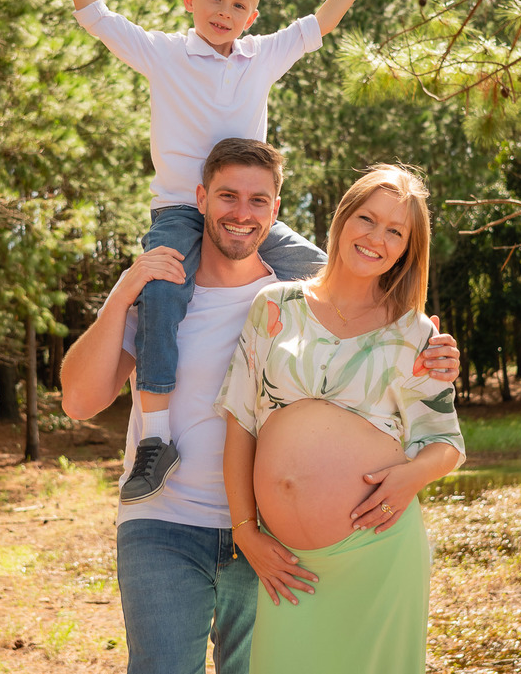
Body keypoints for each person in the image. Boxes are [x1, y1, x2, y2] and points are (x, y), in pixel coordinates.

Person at [38, 0, 407, 503]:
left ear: (251, 16)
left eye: (238, 4)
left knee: (326, 272)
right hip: (183, 211)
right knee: (163, 297)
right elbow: (93, 16)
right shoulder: (162, 54)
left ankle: (380, 373)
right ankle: (155, 434)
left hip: (247, 213)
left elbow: (321, 23)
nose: (224, 11)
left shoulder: (261, 57)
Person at [59, 139, 460, 674]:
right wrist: (129, 284)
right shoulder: (168, 299)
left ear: (276, 210)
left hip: (272, 540)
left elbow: (413, 404)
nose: (241, 213)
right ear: (200, 199)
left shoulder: (291, 301)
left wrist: (437, 355)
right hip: (166, 524)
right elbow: (80, 400)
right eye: (228, 196)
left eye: (257, 200)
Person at [215, 164, 465, 674]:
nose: (377, 237)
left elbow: (447, 444)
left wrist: (412, 477)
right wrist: (245, 530)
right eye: (368, 219)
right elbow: (240, 421)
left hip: (378, 557)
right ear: (342, 217)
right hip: (288, 567)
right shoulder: (274, 307)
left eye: (396, 231)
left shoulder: (416, 333)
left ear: (407, 249)